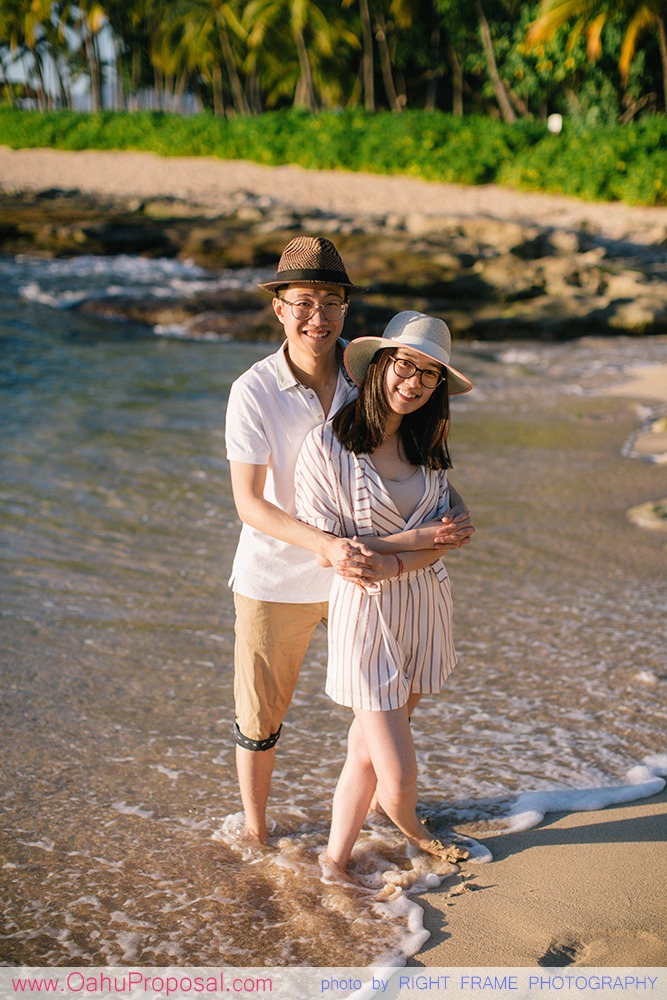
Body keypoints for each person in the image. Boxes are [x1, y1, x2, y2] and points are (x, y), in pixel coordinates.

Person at [225, 239, 473, 846]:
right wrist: (330, 547)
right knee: (262, 717)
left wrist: (455, 509)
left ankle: (345, 843)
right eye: (304, 302)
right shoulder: (252, 391)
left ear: (345, 310)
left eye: (332, 301)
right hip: (279, 575)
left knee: (377, 714)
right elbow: (249, 503)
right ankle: (257, 834)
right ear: (279, 308)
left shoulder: (374, 371)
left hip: (368, 583)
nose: (319, 316)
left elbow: (419, 457)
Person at [294, 310, 473, 879]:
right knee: (397, 776)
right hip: (365, 619)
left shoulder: (428, 448)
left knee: (366, 752)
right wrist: (417, 540)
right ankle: (418, 833)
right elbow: (334, 550)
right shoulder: (327, 446)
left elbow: (444, 541)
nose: (414, 381)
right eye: (405, 365)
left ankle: (334, 861)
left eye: (429, 373)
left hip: (424, 610)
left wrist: (400, 555)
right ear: (379, 365)